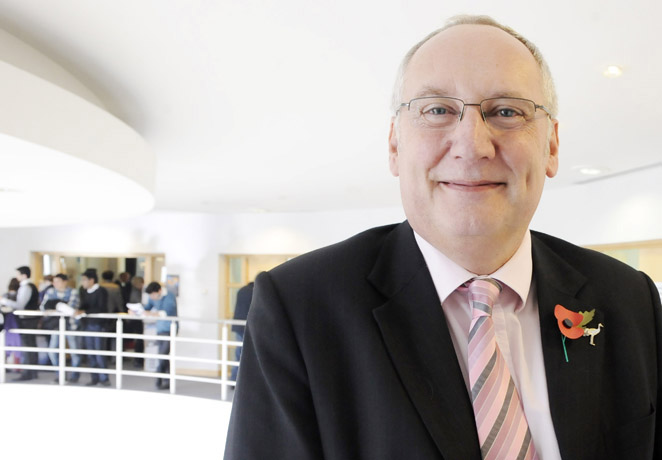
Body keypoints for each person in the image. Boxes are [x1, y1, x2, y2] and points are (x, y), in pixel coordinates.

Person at [225, 15, 662, 460]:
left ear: (551, 146)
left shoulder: (629, 299)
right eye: (437, 110)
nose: (472, 145)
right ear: (394, 145)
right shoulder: (300, 308)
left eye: (507, 111)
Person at [0, 266, 41, 381]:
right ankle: (31, 372)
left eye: (18, 274)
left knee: (28, 345)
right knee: (30, 345)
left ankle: (28, 373)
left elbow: (19, 305)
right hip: (29, 320)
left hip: (27, 320)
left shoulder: (26, 287)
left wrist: (3, 300)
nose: (17, 277)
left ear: (24, 275)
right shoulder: (28, 286)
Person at [40, 273, 82, 382]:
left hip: (71, 325)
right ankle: (60, 373)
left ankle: (75, 375)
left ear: (65, 282)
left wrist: (54, 307)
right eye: (54, 281)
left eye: (57, 281)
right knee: (52, 350)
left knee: (74, 351)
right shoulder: (50, 291)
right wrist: (61, 306)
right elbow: (44, 307)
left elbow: (72, 309)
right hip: (56, 326)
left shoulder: (73, 292)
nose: (55, 284)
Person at [141, 281, 178, 390]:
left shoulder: (169, 296)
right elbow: (147, 307)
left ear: (159, 291)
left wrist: (151, 313)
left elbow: (167, 312)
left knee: (163, 354)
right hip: (160, 329)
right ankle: (167, 380)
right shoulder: (153, 298)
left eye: (153, 295)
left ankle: (158, 378)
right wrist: (138, 311)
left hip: (170, 329)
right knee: (164, 356)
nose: (152, 297)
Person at [77, 268, 110, 387]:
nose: (83, 282)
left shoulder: (101, 291)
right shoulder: (83, 291)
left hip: (98, 324)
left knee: (99, 352)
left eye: (84, 280)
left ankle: (104, 378)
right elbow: (83, 305)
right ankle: (94, 377)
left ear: (91, 280)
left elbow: (101, 308)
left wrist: (85, 311)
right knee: (90, 353)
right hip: (87, 324)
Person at [231, 281, 253, 381]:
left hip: (238, 326)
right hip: (247, 327)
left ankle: (234, 379)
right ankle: (240, 380)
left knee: (239, 353)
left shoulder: (241, 290)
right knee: (246, 355)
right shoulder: (254, 291)